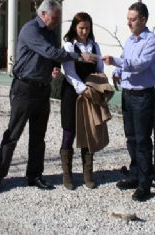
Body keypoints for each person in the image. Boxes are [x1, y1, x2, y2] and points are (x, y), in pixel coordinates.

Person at [0, 0, 97, 193]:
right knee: (13, 134)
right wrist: (78, 56)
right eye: (54, 18)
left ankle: (34, 175)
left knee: (38, 136)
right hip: (24, 88)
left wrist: (55, 68)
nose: (56, 21)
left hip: (42, 90)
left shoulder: (51, 33)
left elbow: (54, 57)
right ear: (43, 14)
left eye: (58, 18)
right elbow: (50, 52)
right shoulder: (31, 30)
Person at [102, 2, 155, 202]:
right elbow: (125, 60)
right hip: (128, 94)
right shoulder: (129, 41)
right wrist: (117, 71)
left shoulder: (152, 42)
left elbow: (139, 65)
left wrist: (116, 62)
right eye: (127, 19)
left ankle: (145, 184)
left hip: (143, 96)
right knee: (131, 138)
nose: (128, 23)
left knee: (143, 140)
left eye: (133, 19)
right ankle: (135, 175)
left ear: (143, 19)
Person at [59, 12, 104, 190]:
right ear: (74, 28)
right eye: (81, 28)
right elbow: (69, 72)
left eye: (87, 28)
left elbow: (99, 68)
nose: (84, 31)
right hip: (72, 92)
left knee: (88, 131)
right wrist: (82, 88)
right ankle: (67, 174)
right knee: (69, 131)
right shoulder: (69, 45)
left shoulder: (95, 46)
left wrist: (96, 86)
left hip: (90, 93)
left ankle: (87, 173)